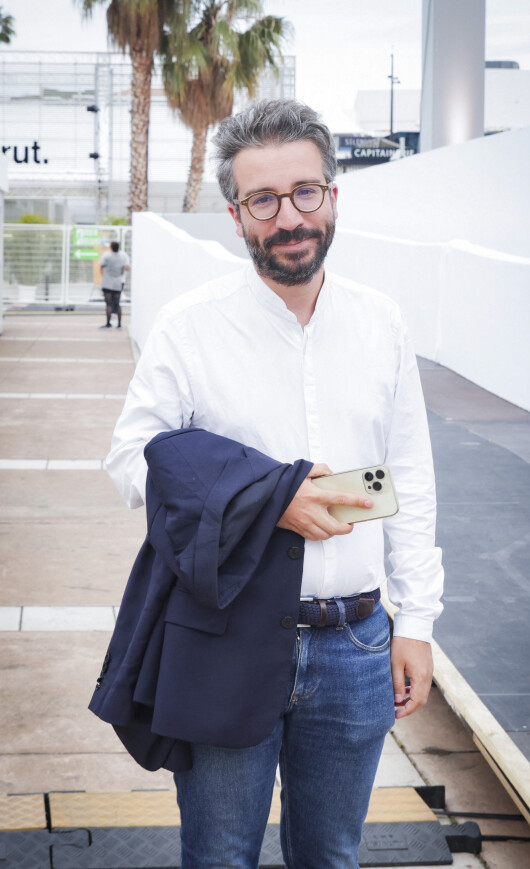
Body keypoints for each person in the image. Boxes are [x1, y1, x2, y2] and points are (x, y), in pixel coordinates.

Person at [105, 98, 444, 869]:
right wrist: (267, 501)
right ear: (236, 215)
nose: (288, 217)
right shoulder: (190, 326)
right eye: (263, 199)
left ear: (332, 195)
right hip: (225, 634)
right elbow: (133, 463)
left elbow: (412, 476)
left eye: (304, 192)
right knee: (221, 855)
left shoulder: (381, 322)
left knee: (332, 856)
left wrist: (416, 621)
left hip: (357, 640)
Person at [99, 240, 130, 329]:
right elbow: (127, 267)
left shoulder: (107, 256)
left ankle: (108, 323)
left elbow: (101, 266)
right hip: (118, 282)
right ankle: (119, 324)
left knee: (108, 304)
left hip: (107, 282)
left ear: (111, 247)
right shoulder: (123, 257)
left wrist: (104, 275)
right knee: (117, 304)